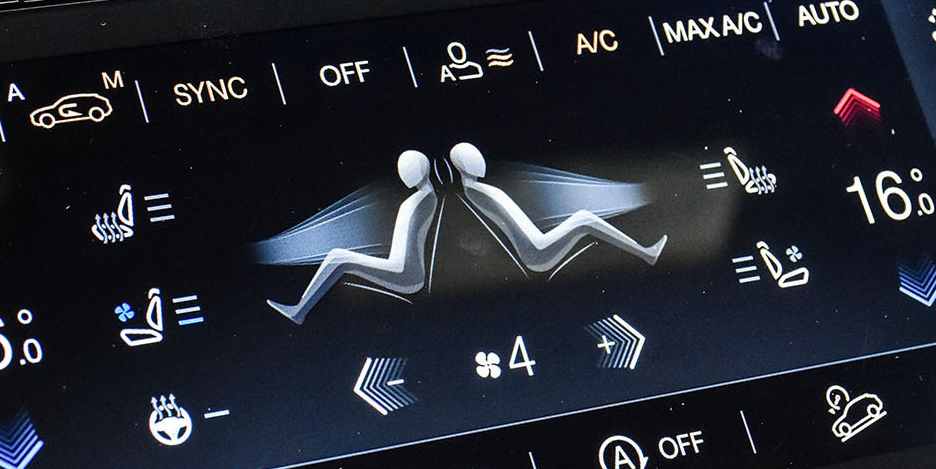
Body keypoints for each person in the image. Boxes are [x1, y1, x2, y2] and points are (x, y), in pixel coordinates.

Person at [267, 150, 438, 324]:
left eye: (408, 168)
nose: (404, 174)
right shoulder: (422, 198)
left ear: (421, 169)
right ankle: (299, 310)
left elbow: (406, 253)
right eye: (402, 169)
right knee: (338, 257)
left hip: (404, 273)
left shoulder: (422, 199)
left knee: (337, 257)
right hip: (402, 269)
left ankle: (299, 311)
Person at [448, 142, 665, 272]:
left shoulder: (478, 190)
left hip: (537, 245)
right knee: (584, 218)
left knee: (583, 218)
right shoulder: (478, 191)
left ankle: (645, 253)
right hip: (536, 252)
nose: (480, 162)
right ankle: (645, 253)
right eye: (472, 158)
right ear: (463, 163)